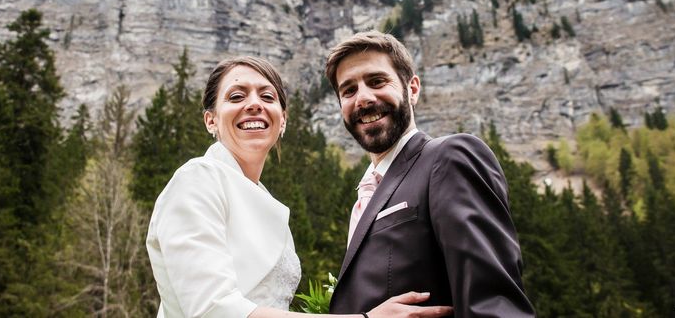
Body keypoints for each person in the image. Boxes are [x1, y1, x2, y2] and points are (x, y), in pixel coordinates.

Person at [146, 56, 453, 318]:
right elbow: (212, 309)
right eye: (236, 97)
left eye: (267, 97)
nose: (254, 104)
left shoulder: (268, 204)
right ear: (210, 120)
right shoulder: (196, 180)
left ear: (282, 121)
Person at [324, 32, 535, 317]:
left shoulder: (449, 157)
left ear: (412, 89)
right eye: (348, 91)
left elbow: (495, 303)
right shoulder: (362, 201)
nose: (363, 98)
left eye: (376, 81)